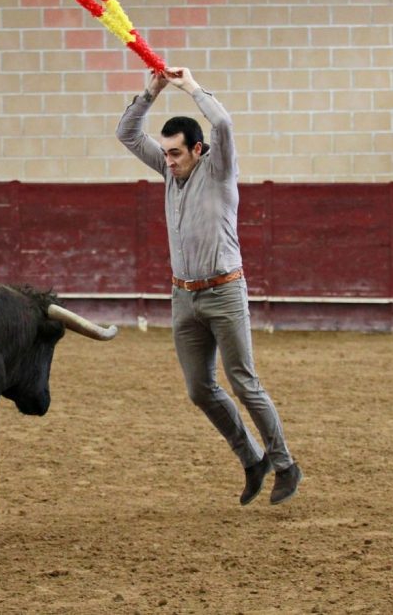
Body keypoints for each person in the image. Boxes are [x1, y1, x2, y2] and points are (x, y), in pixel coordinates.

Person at [116, 67, 302, 505]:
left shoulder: (218, 169)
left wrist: (191, 87)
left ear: (198, 150)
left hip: (224, 293)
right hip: (184, 297)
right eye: (165, 153)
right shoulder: (168, 173)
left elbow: (223, 124)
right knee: (199, 388)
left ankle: (285, 463)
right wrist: (151, 92)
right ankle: (252, 460)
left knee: (243, 381)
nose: (169, 159)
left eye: (177, 153)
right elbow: (126, 133)